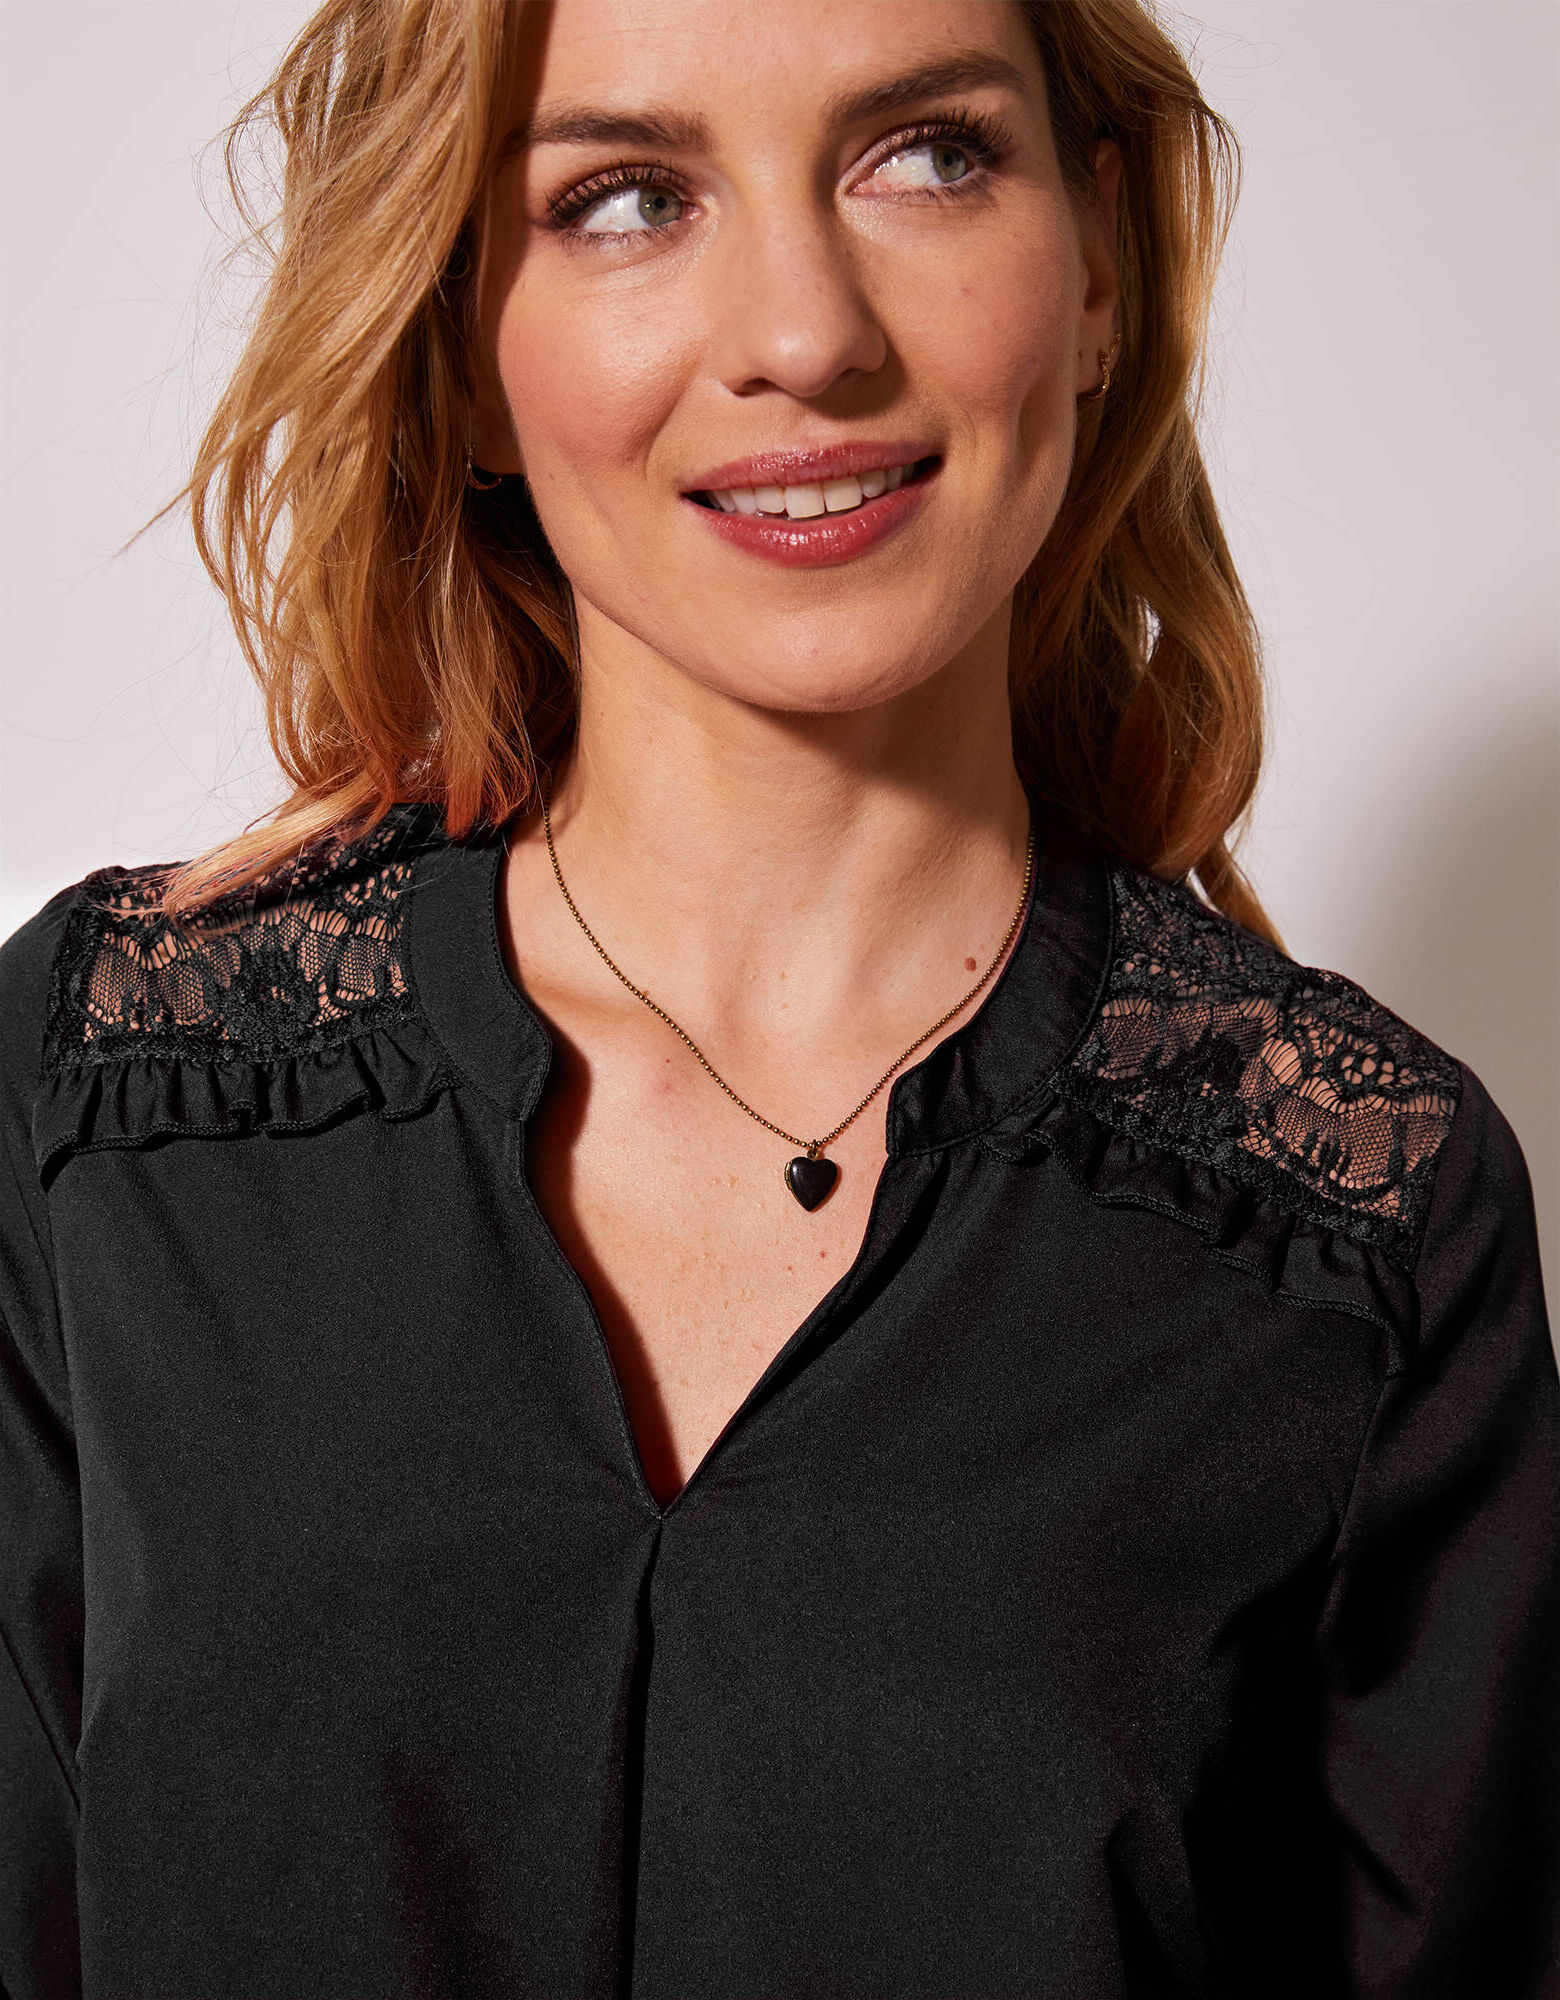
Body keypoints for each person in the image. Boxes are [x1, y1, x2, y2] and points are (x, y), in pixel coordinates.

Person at [2, 0, 1556, 1994]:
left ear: (1097, 268)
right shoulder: (113, 1110)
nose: (806, 333)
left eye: (929, 155)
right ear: (460, 347)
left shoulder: (1357, 1222)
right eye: (624, 197)